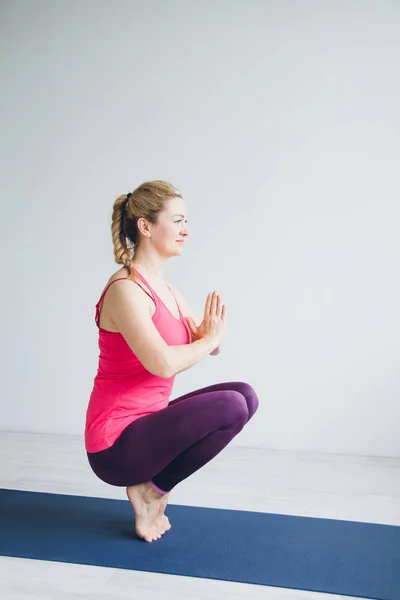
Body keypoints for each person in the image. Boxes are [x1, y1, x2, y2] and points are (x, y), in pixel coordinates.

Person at [85, 180, 259, 543]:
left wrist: (211, 335)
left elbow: (211, 346)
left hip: (147, 428)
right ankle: (150, 491)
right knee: (230, 405)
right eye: (178, 221)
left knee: (245, 396)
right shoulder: (125, 291)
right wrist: (208, 339)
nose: (186, 230)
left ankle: (152, 489)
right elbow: (163, 364)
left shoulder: (167, 289)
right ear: (145, 227)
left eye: (186, 221)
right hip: (115, 445)